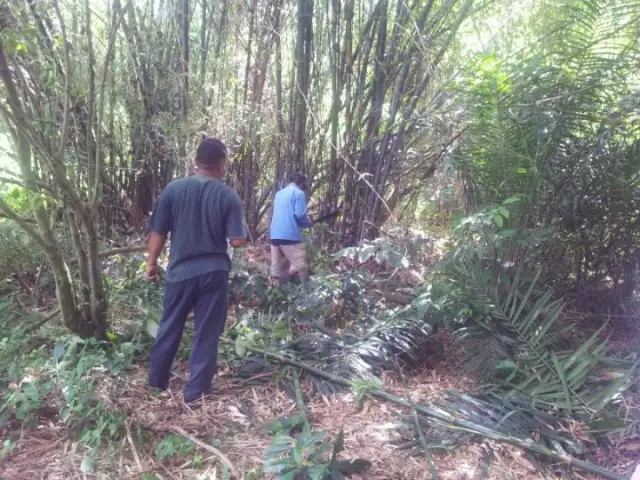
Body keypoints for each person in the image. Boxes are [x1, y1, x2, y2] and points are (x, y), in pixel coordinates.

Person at [144, 137, 246, 403]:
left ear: (195, 162)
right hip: (214, 272)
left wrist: (152, 263)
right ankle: (195, 391)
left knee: (170, 325)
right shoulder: (228, 196)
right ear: (221, 165)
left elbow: (158, 232)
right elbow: (237, 241)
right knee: (207, 330)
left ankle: (156, 382)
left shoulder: (173, 190)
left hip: (180, 272)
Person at [269, 173, 312, 285]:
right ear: (302, 183)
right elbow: (300, 215)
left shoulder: (279, 194)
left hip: (274, 234)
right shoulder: (299, 193)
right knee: (301, 265)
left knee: (275, 268)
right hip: (289, 234)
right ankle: (300, 290)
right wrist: (307, 223)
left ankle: (273, 294)